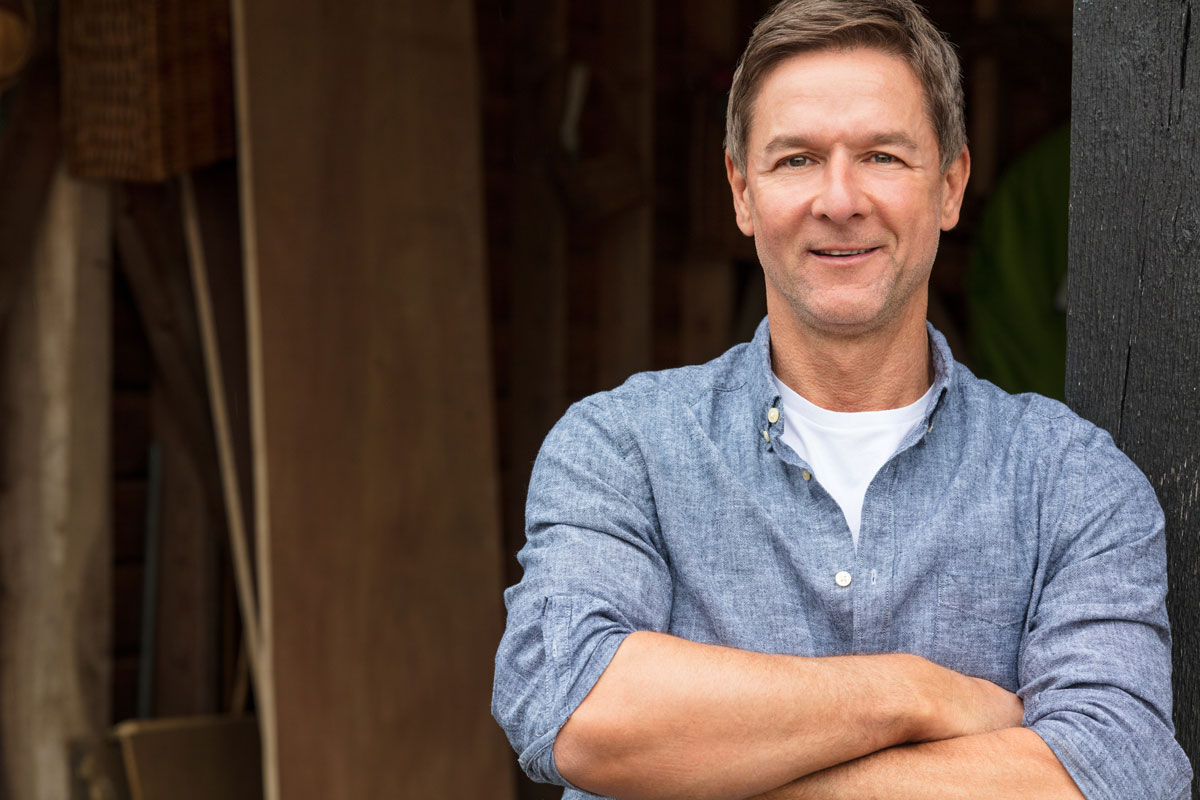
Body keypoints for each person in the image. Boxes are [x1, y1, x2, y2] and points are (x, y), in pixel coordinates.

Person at [492, 1, 1193, 798]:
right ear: (742, 191)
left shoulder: (1071, 480)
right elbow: (573, 705)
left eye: (883, 157)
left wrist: (713, 770)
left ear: (952, 185)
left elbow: (1117, 771)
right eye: (795, 160)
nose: (839, 198)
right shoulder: (622, 448)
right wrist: (915, 694)